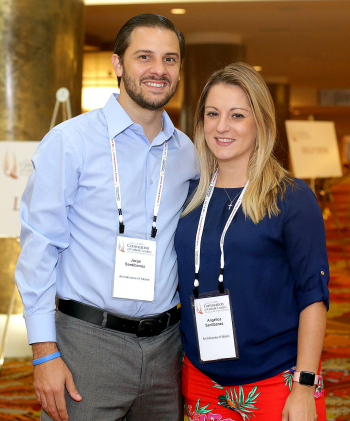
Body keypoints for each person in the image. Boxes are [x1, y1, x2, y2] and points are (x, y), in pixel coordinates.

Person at [15, 13, 198, 421]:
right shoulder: (70, 142)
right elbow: (39, 249)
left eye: (170, 59)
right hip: (87, 345)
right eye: (144, 57)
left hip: (167, 346)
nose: (158, 70)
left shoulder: (188, 153)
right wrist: (44, 353)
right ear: (118, 65)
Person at [175, 63, 329, 421]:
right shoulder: (188, 196)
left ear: (260, 122)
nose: (222, 126)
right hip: (201, 380)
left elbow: (313, 295)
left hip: (279, 381)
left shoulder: (290, 197)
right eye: (212, 114)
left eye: (237, 115)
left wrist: (304, 385)